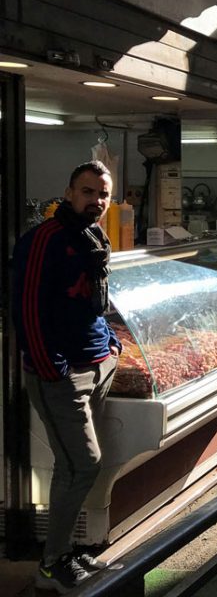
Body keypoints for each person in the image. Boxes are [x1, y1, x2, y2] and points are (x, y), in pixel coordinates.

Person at [13, 161, 123, 591]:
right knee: (84, 463)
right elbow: (28, 312)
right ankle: (52, 560)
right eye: (87, 191)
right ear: (69, 192)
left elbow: (94, 300)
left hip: (98, 363)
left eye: (103, 194)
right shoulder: (43, 240)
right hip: (62, 375)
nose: (95, 200)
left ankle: (68, 551)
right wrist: (52, 370)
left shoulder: (95, 234)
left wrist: (110, 344)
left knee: (70, 465)